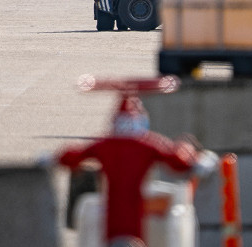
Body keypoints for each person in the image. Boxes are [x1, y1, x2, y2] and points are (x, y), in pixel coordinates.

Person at [57, 95, 206, 244]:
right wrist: (194, 159)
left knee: (90, 208)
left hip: (116, 224)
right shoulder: (149, 145)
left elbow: (71, 156)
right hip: (134, 223)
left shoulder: (106, 145)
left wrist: (57, 158)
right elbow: (178, 160)